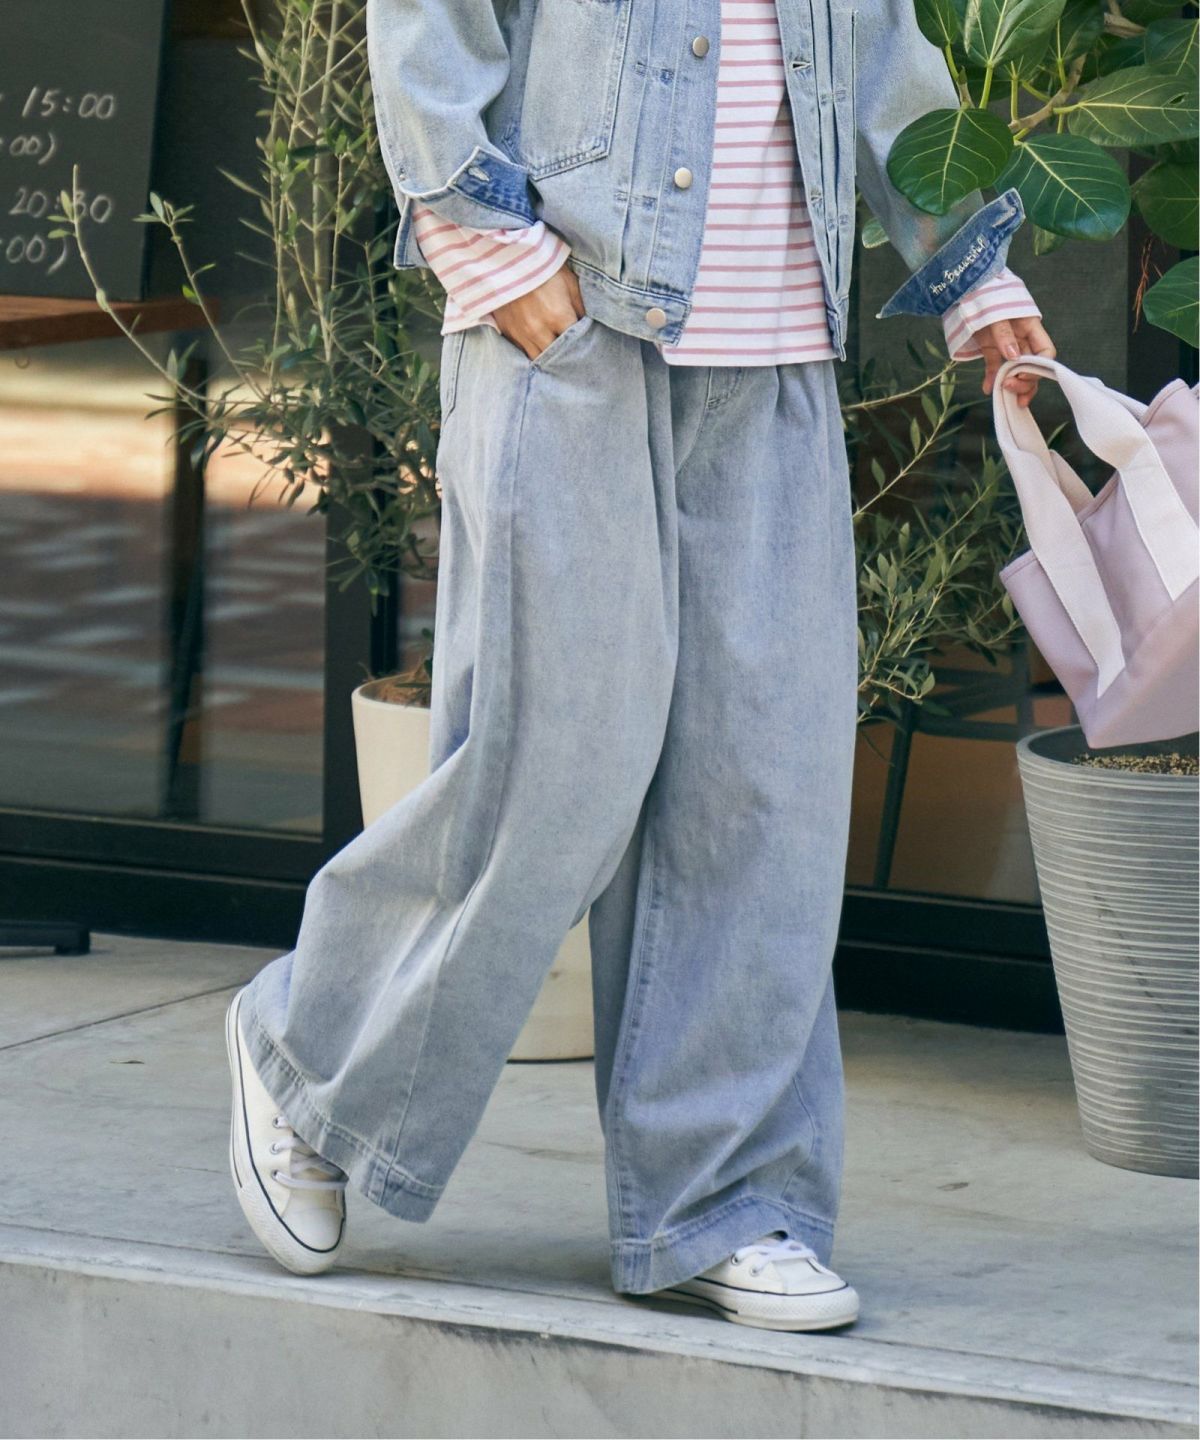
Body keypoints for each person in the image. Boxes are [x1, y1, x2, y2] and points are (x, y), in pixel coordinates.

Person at [224, 0, 1055, 1333]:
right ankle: (311, 1068)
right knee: (554, 766)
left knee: (758, 792)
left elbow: (877, 46)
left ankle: (725, 1198)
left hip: (774, 358)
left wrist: (971, 268)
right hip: (572, 325)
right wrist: (485, 238)